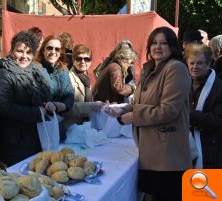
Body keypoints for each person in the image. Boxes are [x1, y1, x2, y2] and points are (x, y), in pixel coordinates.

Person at [107, 26, 192, 201]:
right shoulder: (151, 69)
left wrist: (133, 116)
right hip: (152, 152)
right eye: (154, 43)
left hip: (168, 156)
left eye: (163, 43)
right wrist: (124, 109)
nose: (157, 47)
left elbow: (168, 110)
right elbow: (143, 103)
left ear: (172, 47)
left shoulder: (176, 68)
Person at [0, 31, 53, 166]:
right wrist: (37, 112)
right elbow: (2, 106)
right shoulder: (4, 73)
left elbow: (45, 96)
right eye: (20, 51)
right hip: (14, 143)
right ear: (12, 51)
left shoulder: (36, 71)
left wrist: (48, 105)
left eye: (29, 52)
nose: (24, 56)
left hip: (36, 138)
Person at [184, 43, 222, 168]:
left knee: (208, 187)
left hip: (212, 151)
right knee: (187, 186)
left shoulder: (218, 87)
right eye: (192, 63)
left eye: (200, 63)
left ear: (208, 64)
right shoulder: (183, 83)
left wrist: (187, 115)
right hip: (186, 147)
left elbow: (218, 120)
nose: (195, 66)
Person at [35, 34, 74, 140]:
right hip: (40, 128)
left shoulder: (63, 69)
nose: (53, 52)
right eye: (49, 48)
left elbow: (70, 97)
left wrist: (57, 106)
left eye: (57, 49)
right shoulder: (35, 69)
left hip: (58, 126)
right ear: (43, 50)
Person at [62, 44, 104, 130]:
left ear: (91, 62)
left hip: (84, 127)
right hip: (71, 129)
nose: (83, 62)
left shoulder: (85, 77)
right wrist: (90, 106)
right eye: (79, 58)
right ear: (73, 60)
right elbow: (65, 107)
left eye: (86, 59)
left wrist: (96, 104)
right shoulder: (68, 78)